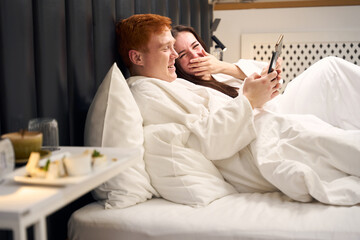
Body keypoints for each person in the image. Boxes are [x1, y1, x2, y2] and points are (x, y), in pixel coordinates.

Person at [116, 13, 360, 205]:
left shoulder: (170, 83)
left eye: (173, 48)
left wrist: (246, 91)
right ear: (137, 58)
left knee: (331, 96)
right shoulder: (147, 93)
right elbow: (208, 140)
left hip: (262, 125)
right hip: (257, 144)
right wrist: (248, 101)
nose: (173, 57)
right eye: (167, 49)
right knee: (332, 133)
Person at [171, 25, 360, 130]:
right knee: (330, 69)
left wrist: (221, 66)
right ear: (176, 64)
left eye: (195, 46)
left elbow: (263, 70)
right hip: (275, 117)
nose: (195, 56)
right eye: (183, 55)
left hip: (282, 104)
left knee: (333, 74)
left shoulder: (221, 71)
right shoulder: (189, 89)